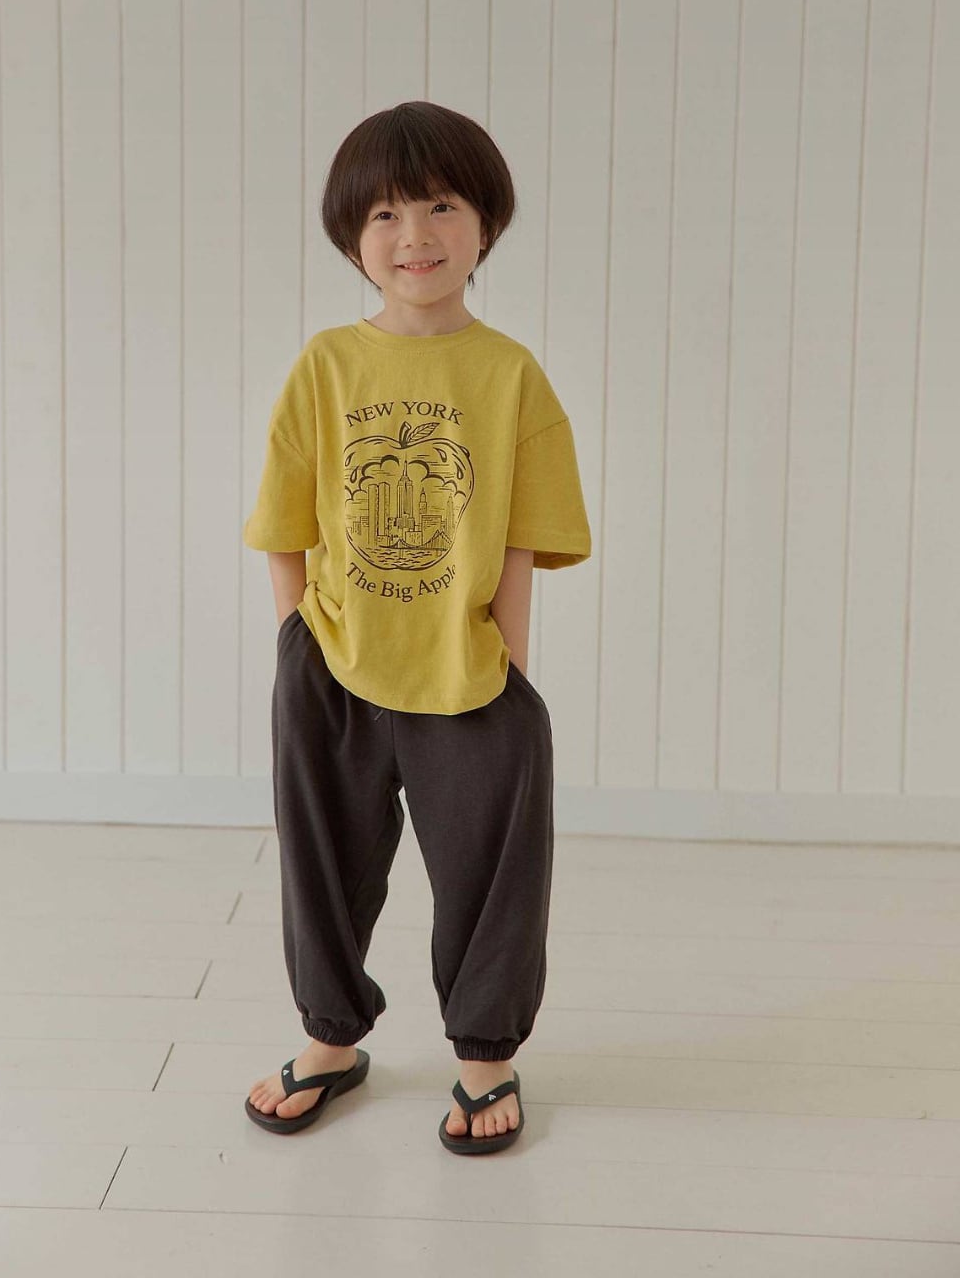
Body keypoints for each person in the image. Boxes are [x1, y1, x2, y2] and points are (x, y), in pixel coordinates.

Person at [241, 100, 592, 1155]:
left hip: (469, 672)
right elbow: (286, 525)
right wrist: (299, 646)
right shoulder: (326, 365)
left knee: (491, 871)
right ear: (352, 236)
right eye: (385, 214)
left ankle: (485, 1059)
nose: (415, 236)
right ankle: (329, 1038)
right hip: (333, 666)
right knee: (323, 860)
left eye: (441, 206)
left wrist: (509, 673)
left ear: (487, 222)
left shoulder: (511, 375)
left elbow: (520, 542)